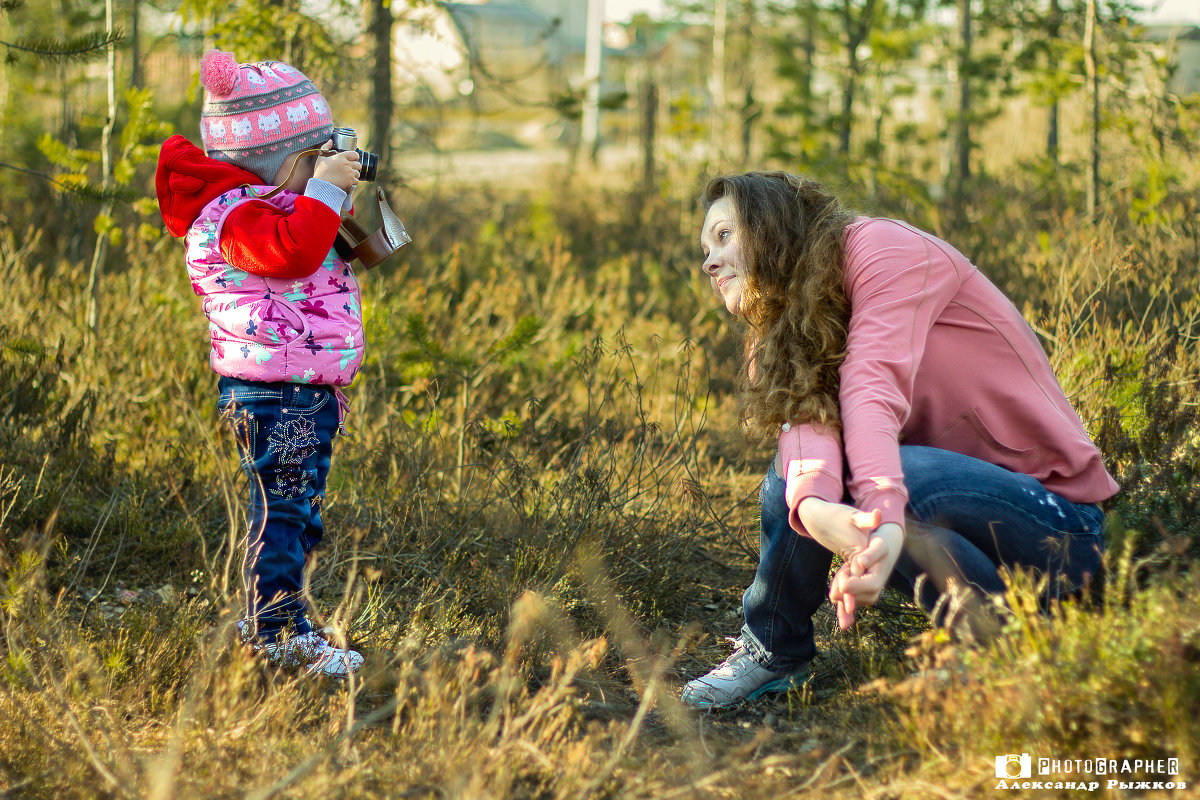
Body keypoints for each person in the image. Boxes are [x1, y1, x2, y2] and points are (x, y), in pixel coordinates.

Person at [682, 171, 1118, 710]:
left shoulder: (884, 250)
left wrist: (880, 521)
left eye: (724, 236)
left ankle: (1009, 651)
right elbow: (807, 441)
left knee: (874, 478)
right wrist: (819, 512)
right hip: (949, 520)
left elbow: (871, 385)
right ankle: (776, 651)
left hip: (1054, 519)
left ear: (771, 223)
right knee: (792, 481)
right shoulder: (778, 337)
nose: (709, 262)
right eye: (705, 250)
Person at [155, 49, 369, 678]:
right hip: (274, 392)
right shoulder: (231, 215)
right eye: (314, 158)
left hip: (301, 387)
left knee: (298, 510)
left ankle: (285, 621)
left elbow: (318, 250)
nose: (320, 170)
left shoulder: (271, 204)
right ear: (278, 159)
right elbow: (292, 256)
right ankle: (273, 634)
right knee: (281, 509)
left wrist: (336, 198)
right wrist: (324, 191)